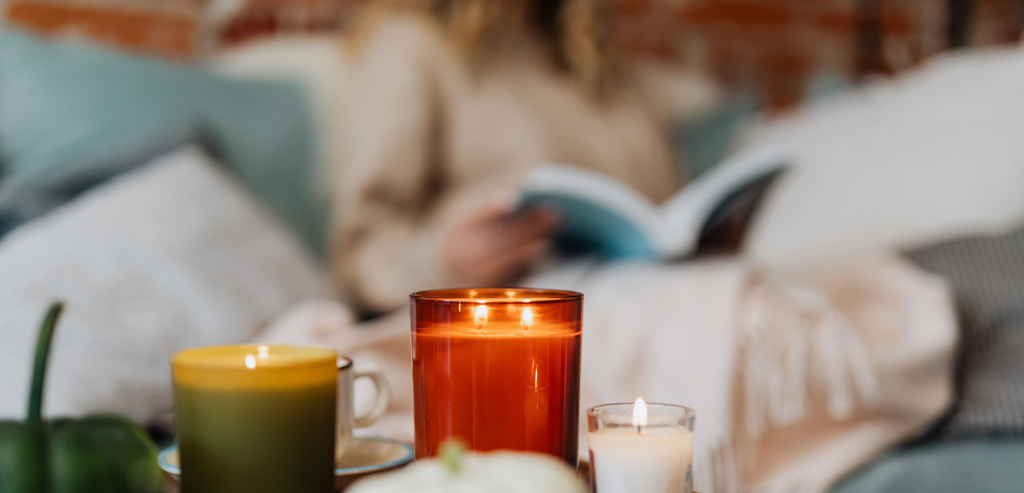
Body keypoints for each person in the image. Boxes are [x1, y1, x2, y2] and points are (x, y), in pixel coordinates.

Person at [332, 0, 680, 314]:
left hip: (638, 287)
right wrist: (445, 262)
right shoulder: (412, 45)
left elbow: (665, 201)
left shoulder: (598, 61)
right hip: (507, 309)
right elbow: (359, 253)